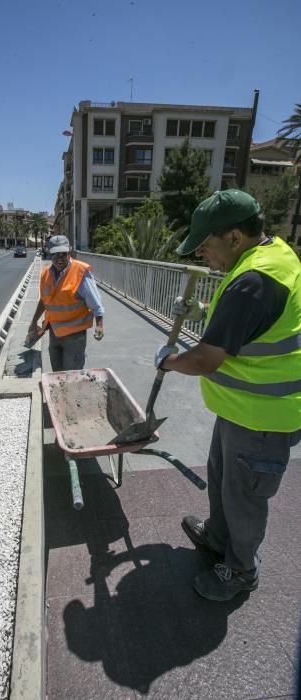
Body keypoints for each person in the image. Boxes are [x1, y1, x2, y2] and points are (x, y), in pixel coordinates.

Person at [154, 189, 301, 602]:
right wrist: (203, 311)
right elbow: (250, 322)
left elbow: (205, 360)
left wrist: (167, 361)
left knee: (244, 499)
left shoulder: (252, 281)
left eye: (205, 244)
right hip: (242, 411)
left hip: (262, 419)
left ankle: (241, 570)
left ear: (234, 237)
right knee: (222, 482)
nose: (202, 254)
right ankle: (219, 538)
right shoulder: (273, 255)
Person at [28, 234, 104, 370]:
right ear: (49, 254)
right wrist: (34, 321)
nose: (59, 259)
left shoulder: (81, 272)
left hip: (75, 335)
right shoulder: (46, 273)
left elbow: (95, 303)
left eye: (63, 254)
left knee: (72, 374)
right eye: (55, 255)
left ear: (69, 253)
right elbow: (44, 300)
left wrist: (99, 324)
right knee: (56, 372)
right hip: (55, 332)